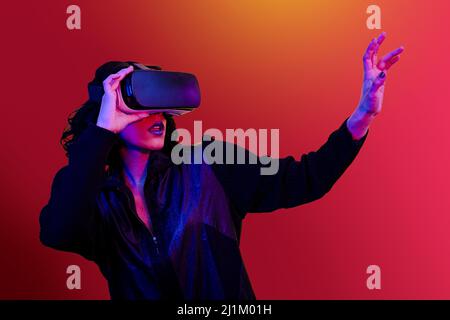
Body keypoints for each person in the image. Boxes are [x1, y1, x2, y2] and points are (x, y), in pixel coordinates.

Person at [39, 32, 404, 300]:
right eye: (140, 102)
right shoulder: (93, 198)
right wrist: (103, 132)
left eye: (162, 101)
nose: (158, 114)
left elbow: (305, 179)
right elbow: (58, 231)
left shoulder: (208, 164)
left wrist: (364, 113)